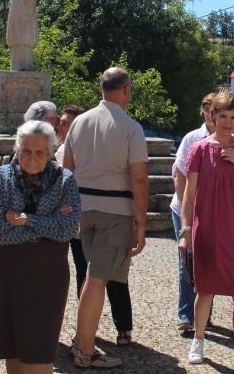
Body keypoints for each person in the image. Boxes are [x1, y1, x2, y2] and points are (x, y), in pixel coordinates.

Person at [63, 68, 149, 369]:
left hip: (82, 208)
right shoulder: (131, 128)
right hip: (116, 211)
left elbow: (67, 169)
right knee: (97, 280)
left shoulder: (78, 123)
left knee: (90, 278)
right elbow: (139, 179)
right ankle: (84, 348)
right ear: (125, 89)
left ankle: (82, 341)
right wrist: (141, 223)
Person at [0, 120, 81, 374]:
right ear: (17, 149)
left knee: (39, 352)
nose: (32, 158)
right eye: (26, 150)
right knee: (13, 350)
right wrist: (48, 225)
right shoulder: (1, 177)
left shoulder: (65, 181)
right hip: (7, 274)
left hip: (46, 278)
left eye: (39, 152)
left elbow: (69, 229)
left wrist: (27, 220)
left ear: (50, 153)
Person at [179, 90, 234, 374]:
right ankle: (198, 340)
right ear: (212, 116)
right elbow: (189, 196)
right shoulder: (199, 149)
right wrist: (185, 229)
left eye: (233, 117)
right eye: (222, 116)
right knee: (205, 290)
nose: (227, 122)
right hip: (208, 229)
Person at [170, 93, 215, 334]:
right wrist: (188, 207)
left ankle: (204, 314)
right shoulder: (192, 138)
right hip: (185, 210)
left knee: (207, 262)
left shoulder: (229, 140)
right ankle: (186, 315)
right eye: (207, 108)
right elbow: (179, 175)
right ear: (203, 111)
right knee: (187, 261)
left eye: (215, 109)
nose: (211, 113)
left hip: (210, 212)